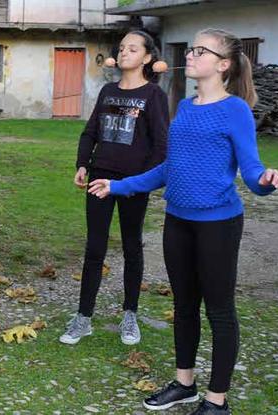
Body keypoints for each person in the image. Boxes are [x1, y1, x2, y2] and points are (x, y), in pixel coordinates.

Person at [88, 28, 278, 415]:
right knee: (184, 306)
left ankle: (217, 400)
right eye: (191, 49)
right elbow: (168, 168)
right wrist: (118, 185)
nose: (190, 55)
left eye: (199, 50)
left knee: (220, 310)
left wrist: (265, 182)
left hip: (218, 225)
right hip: (177, 220)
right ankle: (185, 384)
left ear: (223, 64)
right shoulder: (186, 107)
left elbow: (251, 171)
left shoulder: (236, 110)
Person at [61, 30, 169, 346]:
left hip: (132, 183)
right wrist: (82, 164)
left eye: (132, 49)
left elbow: (161, 145)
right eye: (121, 48)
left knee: (132, 246)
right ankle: (83, 318)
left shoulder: (154, 96)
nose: (124, 53)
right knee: (94, 248)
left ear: (148, 57)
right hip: (99, 178)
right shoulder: (108, 90)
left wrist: (138, 182)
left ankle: (130, 315)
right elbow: (89, 133)